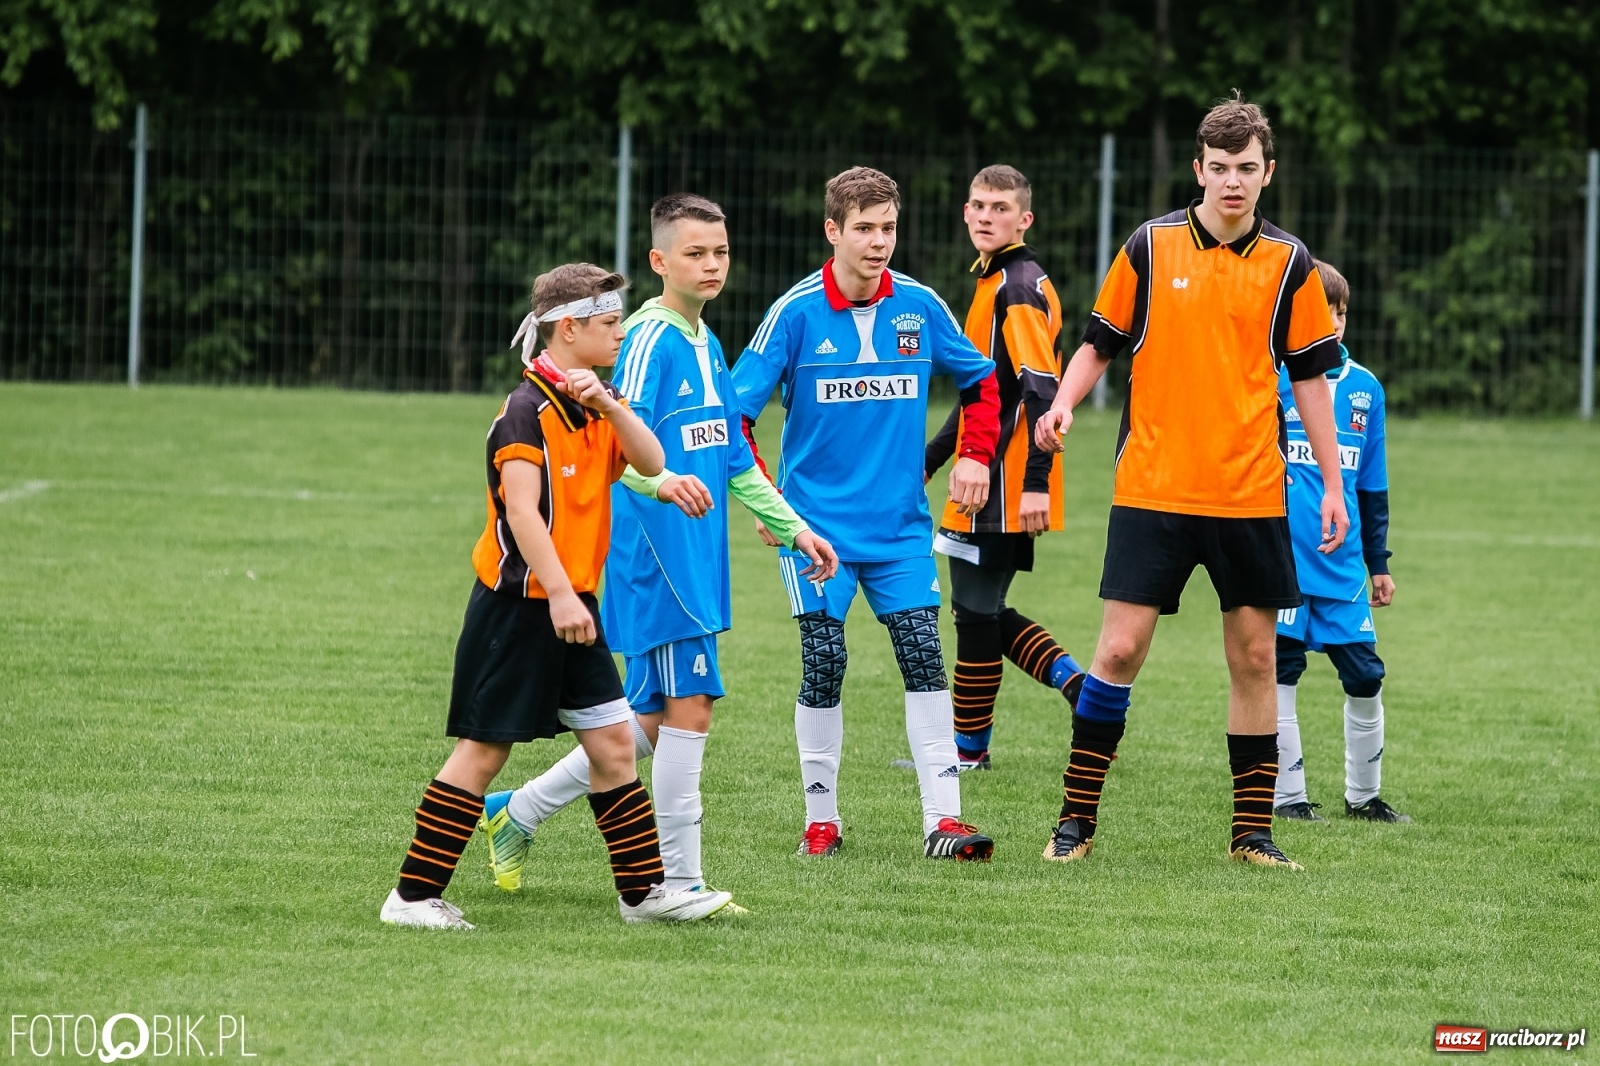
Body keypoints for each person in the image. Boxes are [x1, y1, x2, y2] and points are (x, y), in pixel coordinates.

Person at [477, 194, 839, 902]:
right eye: (696, 253)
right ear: (659, 260)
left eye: (721, 252)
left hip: (701, 558)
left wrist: (794, 526)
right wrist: (664, 484)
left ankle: (516, 812)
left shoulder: (707, 342)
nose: (711, 265)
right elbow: (617, 451)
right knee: (691, 706)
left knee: (642, 722)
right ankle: (677, 880)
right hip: (658, 563)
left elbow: (733, 456)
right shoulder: (644, 339)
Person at [1033, 93, 1350, 871]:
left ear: (1267, 172)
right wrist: (1064, 404)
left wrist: (1335, 485)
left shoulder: (1291, 264)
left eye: (1246, 169)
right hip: (1153, 486)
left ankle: (1252, 835)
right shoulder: (1150, 244)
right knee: (1118, 651)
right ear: (1198, 169)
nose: (1232, 182)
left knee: (1254, 659)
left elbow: (1311, 381)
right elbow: (1099, 343)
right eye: (1219, 169)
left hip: (1251, 492)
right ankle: (1075, 822)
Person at [379, 263, 730, 929]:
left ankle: (643, 897)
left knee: (613, 747)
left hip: (575, 606)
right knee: (484, 752)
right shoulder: (524, 413)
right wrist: (563, 596)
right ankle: (411, 897)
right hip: (519, 610)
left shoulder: (593, 404)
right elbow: (522, 514)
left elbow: (652, 463)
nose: (621, 334)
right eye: (608, 325)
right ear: (568, 330)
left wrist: (609, 404)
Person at [732, 166, 1003, 861]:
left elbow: (981, 380)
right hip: (817, 534)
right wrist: (771, 504)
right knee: (825, 661)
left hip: (901, 532)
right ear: (833, 232)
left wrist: (975, 454)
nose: (879, 241)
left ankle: (944, 822)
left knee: (923, 656)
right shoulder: (793, 314)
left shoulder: (918, 306)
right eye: (864, 229)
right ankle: (821, 822)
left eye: (888, 227)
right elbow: (734, 418)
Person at [923, 164, 1086, 772]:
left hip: (1002, 479)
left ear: (1024, 219)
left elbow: (1042, 391)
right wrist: (930, 461)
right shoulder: (997, 280)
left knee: (975, 611)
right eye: (978, 206)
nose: (987, 216)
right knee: (980, 608)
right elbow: (983, 395)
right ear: (965, 212)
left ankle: (969, 753)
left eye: (1000, 208)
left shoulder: (1016, 284)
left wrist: (1035, 482)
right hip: (989, 471)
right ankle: (1073, 685)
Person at [1272, 260, 1408, 824]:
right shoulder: (1270, 376)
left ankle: (1364, 797)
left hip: (1343, 564)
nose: (1333, 321)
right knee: (1280, 671)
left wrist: (1379, 562)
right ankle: (1288, 798)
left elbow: (1371, 485)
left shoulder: (1364, 389)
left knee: (1366, 673)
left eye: (1340, 311)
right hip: (1281, 560)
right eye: (1320, 311)